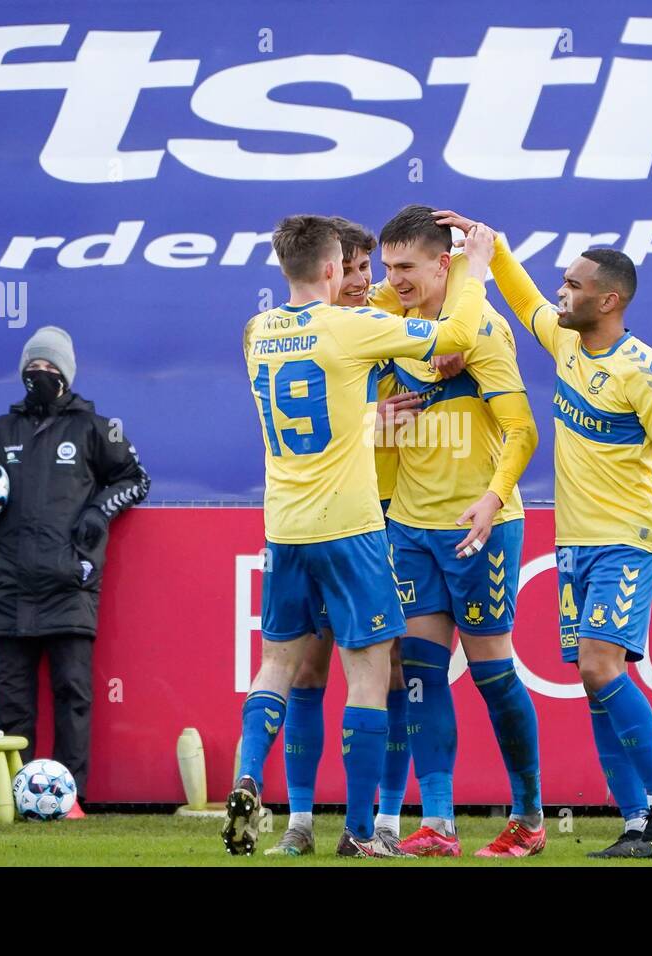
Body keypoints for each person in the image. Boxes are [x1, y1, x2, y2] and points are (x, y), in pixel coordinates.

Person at [437, 209, 652, 858]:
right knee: (591, 677)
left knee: (601, 666)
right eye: (563, 282)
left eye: (574, 285)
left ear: (609, 300)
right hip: (575, 546)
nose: (561, 293)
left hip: (628, 542)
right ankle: (635, 822)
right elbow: (522, 297)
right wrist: (487, 246)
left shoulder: (649, 376)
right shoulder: (566, 341)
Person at [230, 214, 492, 857]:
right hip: (350, 526)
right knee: (372, 677)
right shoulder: (350, 328)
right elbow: (455, 333)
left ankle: (244, 781)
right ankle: (359, 830)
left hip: (283, 526)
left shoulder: (256, 332)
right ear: (329, 269)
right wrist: (476, 265)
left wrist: (371, 413)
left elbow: (311, 398)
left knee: (276, 667)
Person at [0, 326, 150, 815]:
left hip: (71, 581)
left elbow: (137, 478)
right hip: (8, 583)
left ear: (66, 373)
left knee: (73, 695)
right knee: (11, 703)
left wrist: (98, 511)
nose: (40, 374)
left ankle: (69, 799)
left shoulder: (96, 428)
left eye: (49, 367)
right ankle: (2, 793)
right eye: (33, 367)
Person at [373, 204, 543, 858]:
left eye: (406, 267)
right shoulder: (390, 328)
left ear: (445, 264)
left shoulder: (485, 332)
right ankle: (438, 822)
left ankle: (528, 817)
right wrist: (380, 422)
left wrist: (493, 498)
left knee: (493, 675)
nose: (394, 280)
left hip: (482, 527)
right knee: (419, 674)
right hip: (410, 528)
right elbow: (374, 431)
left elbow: (523, 431)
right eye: (388, 268)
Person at [265, 217, 422, 856]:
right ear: (333, 269)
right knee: (307, 670)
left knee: (390, 675)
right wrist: (366, 420)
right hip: (336, 520)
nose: (362, 282)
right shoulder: (333, 329)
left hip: (389, 518)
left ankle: (384, 824)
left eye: (371, 271)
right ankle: (301, 822)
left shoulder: (389, 322)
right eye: (353, 269)